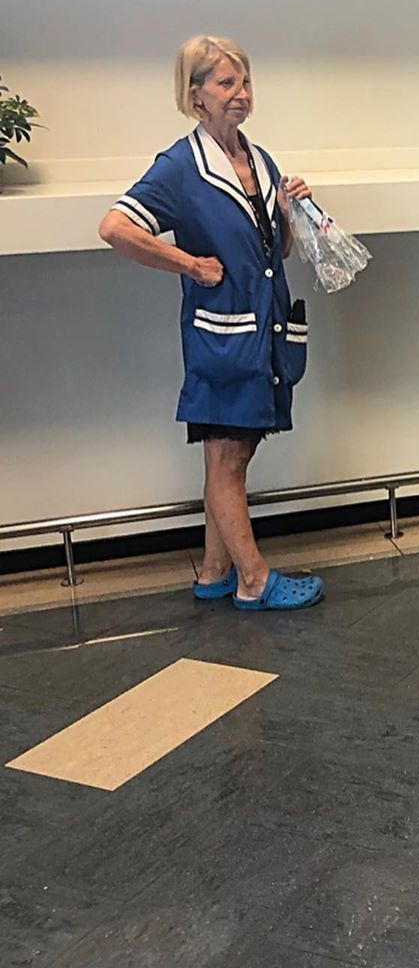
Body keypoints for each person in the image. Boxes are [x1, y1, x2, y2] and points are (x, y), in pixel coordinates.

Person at [99, 35, 325, 611]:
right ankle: (255, 579)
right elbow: (116, 227)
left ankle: (214, 570)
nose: (241, 94)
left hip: (263, 330)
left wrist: (288, 214)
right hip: (223, 336)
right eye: (226, 83)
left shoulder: (260, 160)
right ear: (195, 94)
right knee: (229, 457)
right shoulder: (180, 167)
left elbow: (278, 252)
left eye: (245, 82)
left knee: (226, 454)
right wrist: (189, 264)